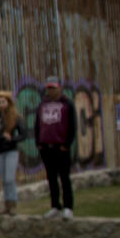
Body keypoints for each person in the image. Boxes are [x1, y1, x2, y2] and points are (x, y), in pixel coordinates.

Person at [35, 76, 77, 220]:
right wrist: (39, 143)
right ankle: (55, 206)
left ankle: (68, 207)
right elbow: (37, 125)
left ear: (59, 87)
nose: (50, 90)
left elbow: (72, 126)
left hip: (61, 148)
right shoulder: (42, 104)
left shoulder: (67, 104)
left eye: (53, 87)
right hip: (46, 147)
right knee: (51, 178)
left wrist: (67, 144)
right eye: (48, 88)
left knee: (64, 178)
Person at [0, 92, 27, 215]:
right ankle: (7, 205)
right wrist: (0, 137)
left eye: (3, 102)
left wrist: (12, 138)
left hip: (10, 150)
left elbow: (23, 135)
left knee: (10, 178)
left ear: (8, 103)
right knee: (4, 179)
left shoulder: (15, 117)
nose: (0, 105)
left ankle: (13, 204)